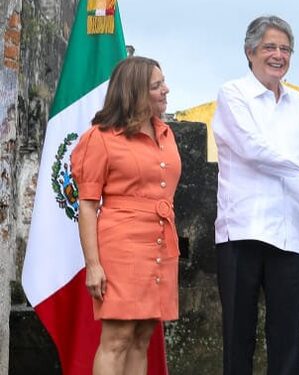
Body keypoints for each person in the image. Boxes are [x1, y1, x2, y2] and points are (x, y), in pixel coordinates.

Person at [211, 15, 299, 375]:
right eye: (270, 47)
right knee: (238, 336)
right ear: (250, 51)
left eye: (285, 49)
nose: (278, 55)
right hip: (243, 229)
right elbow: (254, 150)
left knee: (289, 339)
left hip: (290, 232)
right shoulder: (233, 94)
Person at [72, 56, 179, 374]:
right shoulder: (101, 138)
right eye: (156, 86)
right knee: (117, 338)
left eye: (163, 82)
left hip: (160, 244)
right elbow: (87, 205)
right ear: (135, 93)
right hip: (121, 246)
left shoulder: (165, 133)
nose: (166, 90)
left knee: (142, 337)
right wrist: (93, 265)